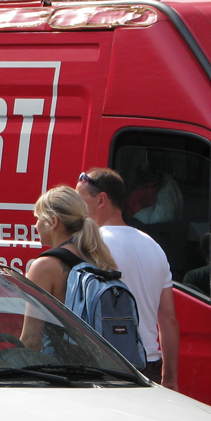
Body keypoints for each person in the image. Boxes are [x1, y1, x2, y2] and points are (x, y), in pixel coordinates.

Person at [76, 167, 180, 390]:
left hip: (108, 365)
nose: (78, 211)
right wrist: (170, 377)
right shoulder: (153, 246)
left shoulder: (92, 245)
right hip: (150, 365)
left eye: (81, 202)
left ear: (101, 199)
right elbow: (168, 319)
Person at [19, 185, 117, 351]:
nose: (36, 225)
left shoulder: (45, 266)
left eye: (38, 218)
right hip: (102, 368)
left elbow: (31, 339)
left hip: (62, 370)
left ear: (53, 222)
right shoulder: (98, 257)